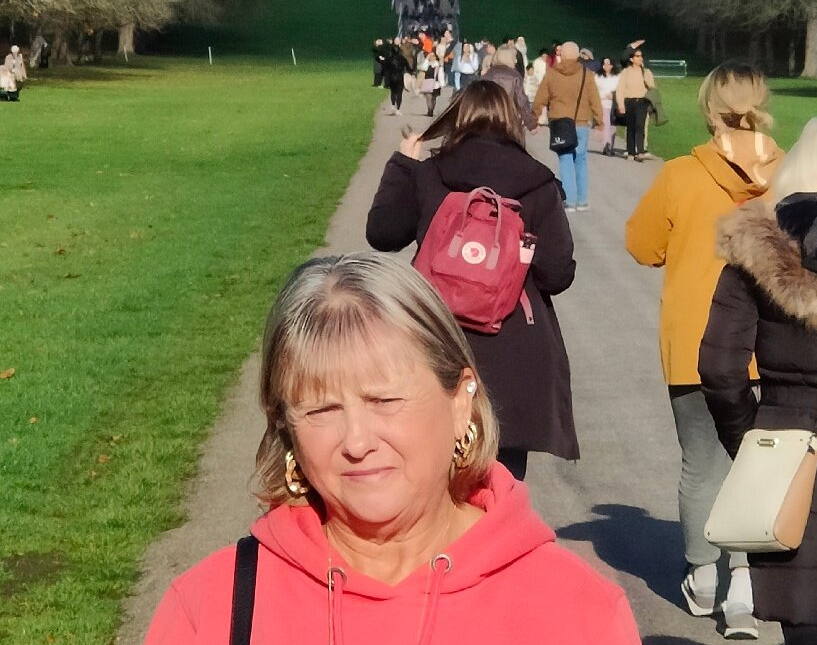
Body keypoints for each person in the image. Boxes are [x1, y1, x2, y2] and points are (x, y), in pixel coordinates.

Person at [143, 253, 641, 645]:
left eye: (384, 400)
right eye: (321, 410)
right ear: (286, 427)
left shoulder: (579, 615)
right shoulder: (213, 608)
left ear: (460, 401)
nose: (357, 442)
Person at [699, 116, 817, 645]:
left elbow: (719, 365)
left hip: (782, 446)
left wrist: (747, 438)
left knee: (804, 610)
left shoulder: (757, 249)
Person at [625, 62, 784, 640]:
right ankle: (744, 585)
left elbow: (642, 246)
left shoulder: (681, 174)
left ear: (710, 108)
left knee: (700, 464)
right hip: (767, 346)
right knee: (755, 467)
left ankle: (702, 574)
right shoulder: (789, 174)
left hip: (695, 340)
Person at [366, 80, 580, 481]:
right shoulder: (538, 182)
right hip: (512, 347)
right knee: (502, 481)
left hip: (438, 336)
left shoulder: (431, 174)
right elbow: (557, 273)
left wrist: (402, 166)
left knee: (440, 476)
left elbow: (383, 233)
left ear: (457, 118)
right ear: (511, 121)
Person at [531, 41, 603, 213]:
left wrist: (534, 118)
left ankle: (569, 201)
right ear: (578, 56)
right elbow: (595, 100)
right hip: (581, 122)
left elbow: (540, 98)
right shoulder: (587, 75)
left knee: (565, 160)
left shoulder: (552, 74)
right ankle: (582, 200)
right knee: (581, 160)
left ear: (561, 55)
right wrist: (600, 122)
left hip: (560, 123)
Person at [484, 45, 537, 131]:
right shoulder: (514, 76)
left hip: (489, 120)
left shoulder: (488, 75)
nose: (515, 60)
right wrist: (531, 124)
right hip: (510, 119)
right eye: (514, 57)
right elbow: (522, 102)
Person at [594, 57, 619, 156]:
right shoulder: (598, 77)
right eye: (604, 64)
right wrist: (603, 96)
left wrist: (613, 95)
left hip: (613, 105)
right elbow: (594, 90)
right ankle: (607, 145)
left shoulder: (617, 77)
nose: (606, 66)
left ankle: (610, 145)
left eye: (608, 64)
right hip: (602, 104)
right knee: (606, 125)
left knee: (612, 125)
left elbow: (620, 89)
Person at [419, 51, 444, 117]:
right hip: (427, 83)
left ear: (435, 57)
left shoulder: (438, 66)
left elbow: (441, 75)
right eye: (430, 56)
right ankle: (430, 110)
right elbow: (422, 68)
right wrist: (426, 59)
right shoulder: (427, 64)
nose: (432, 57)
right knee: (428, 97)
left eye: (433, 56)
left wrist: (442, 84)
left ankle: (431, 109)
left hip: (436, 84)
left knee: (433, 98)